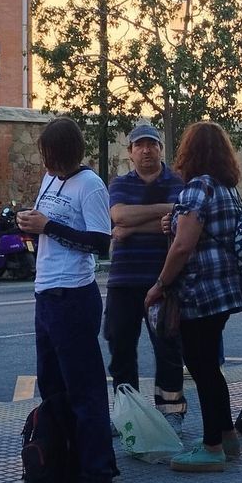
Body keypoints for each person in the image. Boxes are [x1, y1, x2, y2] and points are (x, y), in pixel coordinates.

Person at [19, 117, 116, 483]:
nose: (46, 162)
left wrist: (48, 227)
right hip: (46, 292)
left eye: (51, 155)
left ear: (67, 152)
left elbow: (100, 242)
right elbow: (47, 225)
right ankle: (63, 458)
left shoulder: (89, 185)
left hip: (74, 295)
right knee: (52, 384)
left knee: (84, 388)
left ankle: (98, 472)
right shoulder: (51, 179)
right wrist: (30, 223)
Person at [147, 122, 242, 473]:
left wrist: (160, 284)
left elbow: (183, 246)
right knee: (210, 367)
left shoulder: (196, 189)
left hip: (199, 291)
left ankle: (211, 447)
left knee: (202, 369)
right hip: (223, 290)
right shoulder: (226, 189)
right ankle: (227, 437)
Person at [105, 124, 186, 423]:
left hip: (164, 280)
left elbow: (179, 223)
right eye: (139, 145)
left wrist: (132, 226)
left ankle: (170, 415)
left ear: (161, 149)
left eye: (152, 144)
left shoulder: (177, 182)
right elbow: (119, 215)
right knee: (121, 349)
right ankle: (129, 416)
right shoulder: (120, 184)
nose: (146, 150)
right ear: (130, 152)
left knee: (168, 349)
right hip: (123, 283)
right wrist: (163, 213)